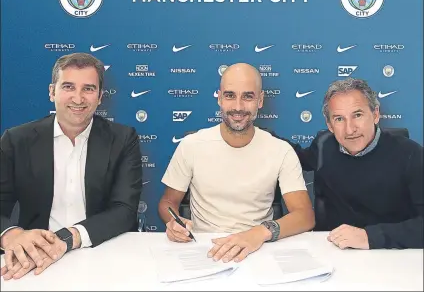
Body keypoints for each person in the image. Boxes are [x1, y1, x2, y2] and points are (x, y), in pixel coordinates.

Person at [0, 53, 143, 280]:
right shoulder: (17, 140)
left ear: (100, 97)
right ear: (51, 92)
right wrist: (11, 235)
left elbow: (124, 210)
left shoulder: (123, 139)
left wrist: (68, 238)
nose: (78, 98)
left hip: (102, 251)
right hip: (35, 256)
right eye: (68, 87)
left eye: (88, 89)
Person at [158, 63, 315, 263]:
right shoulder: (191, 145)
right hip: (203, 248)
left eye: (248, 96)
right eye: (230, 95)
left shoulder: (281, 150)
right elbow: (168, 202)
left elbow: (305, 216)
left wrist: (259, 233)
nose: (238, 107)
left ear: (260, 100)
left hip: (259, 249)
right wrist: (173, 222)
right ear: (220, 98)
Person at [283, 78, 423, 250]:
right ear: (330, 125)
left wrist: (370, 237)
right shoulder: (323, 147)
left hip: (389, 256)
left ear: (376, 114)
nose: (350, 129)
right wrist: (251, 132)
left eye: (357, 115)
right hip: (334, 253)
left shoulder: (411, 155)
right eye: (339, 119)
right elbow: (289, 152)